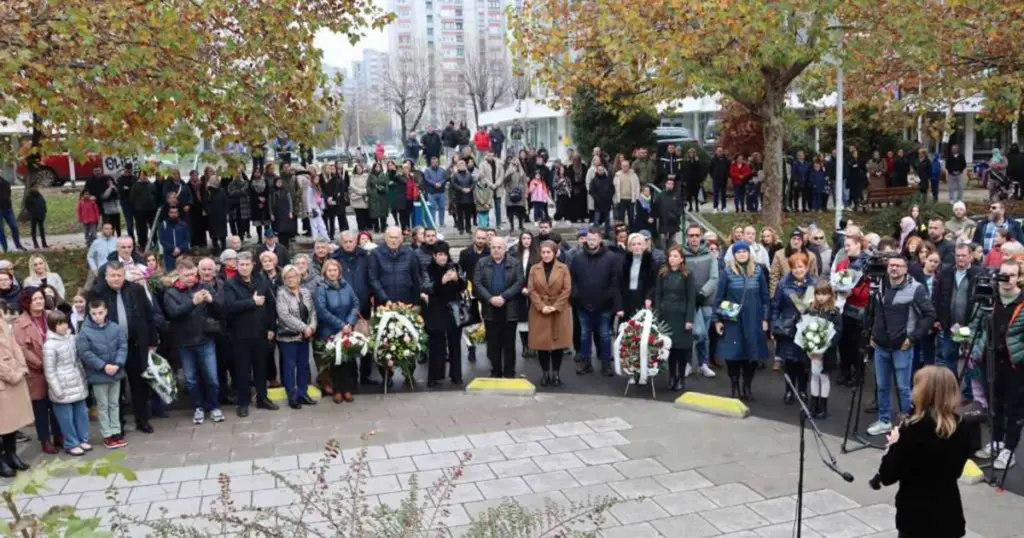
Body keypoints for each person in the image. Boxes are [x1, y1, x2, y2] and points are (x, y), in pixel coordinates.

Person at [875, 366, 971, 538]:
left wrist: (893, 446)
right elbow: (955, 471)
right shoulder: (962, 427)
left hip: (915, 518)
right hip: (948, 514)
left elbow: (888, 476)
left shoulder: (913, 430)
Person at [867, 254, 936, 436]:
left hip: (902, 347)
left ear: (906, 269)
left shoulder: (916, 289)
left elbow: (929, 315)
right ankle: (884, 420)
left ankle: (907, 422)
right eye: (891, 265)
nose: (894, 269)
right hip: (880, 345)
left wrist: (913, 337)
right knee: (882, 386)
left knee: (903, 387)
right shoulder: (878, 285)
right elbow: (873, 311)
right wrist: (872, 333)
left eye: (898, 265)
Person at [87, 261, 158, 433]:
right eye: (112, 275)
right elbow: (90, 320)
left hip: (135, 345)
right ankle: (118, 423)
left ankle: (142, 420)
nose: (116, 279)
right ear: (106, 276)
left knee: (139, 384)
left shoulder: (136, 290)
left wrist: (152, 342)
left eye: (119, 275)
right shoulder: (97, 293)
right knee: (115, 389)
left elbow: (149, 316)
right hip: (111, 349)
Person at [973, 259, 1024, 470]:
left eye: (1011, 275)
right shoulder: (989, 297)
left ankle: (1008, 449)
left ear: (1019, 277)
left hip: (1015, 365)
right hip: (990, 360)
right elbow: (975, 323)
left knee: (1014, 408)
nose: (1006, 279)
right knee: (994, 405)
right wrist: (973, 345)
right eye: (1003, 274)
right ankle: (995, 441)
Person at [163, 260, 224, 425]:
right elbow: (174, 314)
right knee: (191, 379)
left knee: (212, 377)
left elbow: (221, 312)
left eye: (192, 274)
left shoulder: (205, 287)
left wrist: (212, 301)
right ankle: (198, 407)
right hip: (184, 342)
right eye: (186, 275)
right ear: (179, 274)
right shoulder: (171, 292)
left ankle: (214, 406)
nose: (191, 278)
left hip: (205, 339)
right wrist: (193, 303)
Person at [221, 252, 278, 417]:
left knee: (261, 369)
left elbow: (270, 306)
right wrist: (252, 302)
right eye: (241, 265)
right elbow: (230, 307)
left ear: (253, 265)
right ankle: (243, 402)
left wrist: (271, 328)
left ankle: (262, 398)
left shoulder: (261, 280)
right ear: (237, 266)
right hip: (240, 335)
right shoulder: (230, 284)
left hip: (261, 334)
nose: (245, 267)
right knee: (242, 371)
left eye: (247, 264)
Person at [712, 241, 769, 401]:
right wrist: (717, 320)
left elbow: (765, 297)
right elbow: (719, 298)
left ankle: (747, 387)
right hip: (733, 320)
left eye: (745, 251)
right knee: (733, 355)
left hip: (754, 320)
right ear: (734, 254)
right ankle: (735, 386)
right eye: (739, 252)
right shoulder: (727, 272)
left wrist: (765, 318)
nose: (742, 254)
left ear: (749, 253)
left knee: (751, 356)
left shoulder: (758, 271)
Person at [14, 288, 62, 454]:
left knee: (57, 403)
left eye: (41, 298)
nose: (39, 301)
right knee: (41, 407)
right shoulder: (20, 324)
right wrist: (41, 363)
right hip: (37, 372)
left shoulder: (51, 315)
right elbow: (22, 349)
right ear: (27, 302)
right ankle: (45, 439)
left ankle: (59, 435)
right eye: (35, 299)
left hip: (56, 368)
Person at [76, 298, 128, 449]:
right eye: (94, 313)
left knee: (115, 403)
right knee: (103, 405)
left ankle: (116, 431)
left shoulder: (115, 328)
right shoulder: (85, 331)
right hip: (99, 374)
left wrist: (118, 364)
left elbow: (122, 346)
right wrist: (103, 366)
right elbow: (85, 353)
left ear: (106, 311)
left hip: (115, 372)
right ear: (89, 313)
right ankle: (107, 434)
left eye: (100, 313)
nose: (97, 316)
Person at [570, 226, 622, 376]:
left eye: (594, 239)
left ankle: (606, 363)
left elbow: (614, 282)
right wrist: (578, 298)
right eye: (589, 239)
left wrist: (605, 300)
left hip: (604, 306)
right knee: (585, 335)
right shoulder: (577, 258)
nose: (591, 242)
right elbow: (573, 281)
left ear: (600, 239)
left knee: (605, 335)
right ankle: (586, 363)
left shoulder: (611, 257)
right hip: (583, 305)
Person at [473, 236, 524, 378]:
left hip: (509, 308)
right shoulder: (482, 263)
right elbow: (477, 283)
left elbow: (519, 282)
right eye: (493, 247)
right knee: (493, 343)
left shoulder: (515, 263)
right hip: (490, 308)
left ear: (505, 248)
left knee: (509, 343)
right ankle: (495, 370)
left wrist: (504, 297)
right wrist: (490, 298)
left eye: (499, 247)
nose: (496, 250)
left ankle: (509, 372)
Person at [770, 252, 817, 404]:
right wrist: (774, 325)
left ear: (806, 266)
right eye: (794, 267)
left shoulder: (814, 283)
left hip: (807, 328)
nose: (798, 270)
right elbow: (776, 306)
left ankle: (802, 390)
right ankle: (789, 391)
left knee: (803, 363)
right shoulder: (783, 283)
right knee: (789, 362)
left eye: (801, 266)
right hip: (788, 328)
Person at [526, 240, 572, 387]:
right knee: (542, 344)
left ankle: (556, 373)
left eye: (548, 252)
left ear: (555, 253)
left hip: (558, 311)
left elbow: (567, 289)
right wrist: (541, 306)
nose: (545, 255)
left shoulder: (563, 268)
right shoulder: (534, 269)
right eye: (543, 252)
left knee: (558, 344)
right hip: (539, 311)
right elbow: (531, 290)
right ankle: (545, 373)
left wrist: (556, 306)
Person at [315, 259, 362, 401]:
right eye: (329, 270)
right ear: (325, 272)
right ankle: (337, 390)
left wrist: (349, 322)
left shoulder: (346, 285)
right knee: (335, 361)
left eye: (335, 270)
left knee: (347, 360)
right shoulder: (321, 288)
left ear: (339, 271)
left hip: (347, 328)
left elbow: (355, 303)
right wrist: (341, 325)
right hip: (330, 330)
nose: (332, 273)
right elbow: (322, 311)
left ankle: (347, 389)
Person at [421, 244, 465, 387]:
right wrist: (442, 281)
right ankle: (434, 376)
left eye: (445, 254)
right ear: (434, 256)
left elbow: (464, 285)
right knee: (436, 344)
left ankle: (456, 375)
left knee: (455, 343)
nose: (443, 257)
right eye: (439, 254)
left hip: (454, 308)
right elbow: (425, 286)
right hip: (436, 309)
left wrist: (457, 279)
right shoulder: (428, 269)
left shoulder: (454, 266)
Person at [654, 245, 696, 392]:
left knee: (682, 349)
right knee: (669, 348)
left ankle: (681, 379)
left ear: (682, 259)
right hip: (666, 315)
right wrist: (657, 315)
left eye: (676, 256)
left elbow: (691, 298)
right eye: (670, 256)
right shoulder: (662, 274)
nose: (672, 259)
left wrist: (689, 319)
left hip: (682, 315)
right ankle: (672, 376)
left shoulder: (687, 275)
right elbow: (658, 295)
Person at [276, 264, 318, 409]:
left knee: (304, 366)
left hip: (305, 337)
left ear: (299, 277)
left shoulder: (305, 292)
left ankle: (303, 394)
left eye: (293, 276)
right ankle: (292, 397)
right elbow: (284, 316)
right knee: (289, 367)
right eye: (287, 277)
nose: (291, 279)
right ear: (284, 279)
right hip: (288, 338)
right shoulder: (281, 293)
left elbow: (312, 311)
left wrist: (312, 326)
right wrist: (304, 327)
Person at [0, 298, 33, 475]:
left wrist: (21, 367)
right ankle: (1, 461)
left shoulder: (3, 322)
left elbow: (15, 346)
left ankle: (12, 455)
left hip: (14, 376)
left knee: (12, 423)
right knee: (2, 423)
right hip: (4, 379)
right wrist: (12, 375)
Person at [769, 230, 819, 297]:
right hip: (785, 290)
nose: (796, 242)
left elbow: (813, 276)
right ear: (790, 240)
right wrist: (774, 295)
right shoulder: (779, 255)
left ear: (802, 241)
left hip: (806, 292)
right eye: (794, 239)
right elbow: (774, 277)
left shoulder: (811, 256)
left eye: (798, 239)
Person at [621, 233, 656, 319]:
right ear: (630, 247)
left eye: (639, 244)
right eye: (634, 244)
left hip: (643, 298)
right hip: (628, 299)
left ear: (644, 246)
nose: (636, 247)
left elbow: (653, 283)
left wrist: (649, 297)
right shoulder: (625, 261)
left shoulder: (650, 261)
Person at [158, 206, 190, 271]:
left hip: (182, 254)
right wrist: (173, 248)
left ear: (178, 213)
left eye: (175, 212)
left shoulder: (183, 225)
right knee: (170, 273)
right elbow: (161, 239)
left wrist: (179, 248)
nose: (174, 214)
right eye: (172, 212)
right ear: (169, 214)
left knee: (183, 272)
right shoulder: (164, 225)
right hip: (169, 254)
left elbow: (187, 239)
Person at [503, 158, 528, 233]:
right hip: (510, 193)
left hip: (520, 193)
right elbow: (504, 182)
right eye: (513, 163)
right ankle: (512, 226)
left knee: (521, 210)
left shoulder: (522, 172)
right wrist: (510, 173)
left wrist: (526, 192)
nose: (515, 164)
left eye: (516, 163)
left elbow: (525, 183)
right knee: (510, 211)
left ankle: (521, 225)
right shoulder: (508, 171)